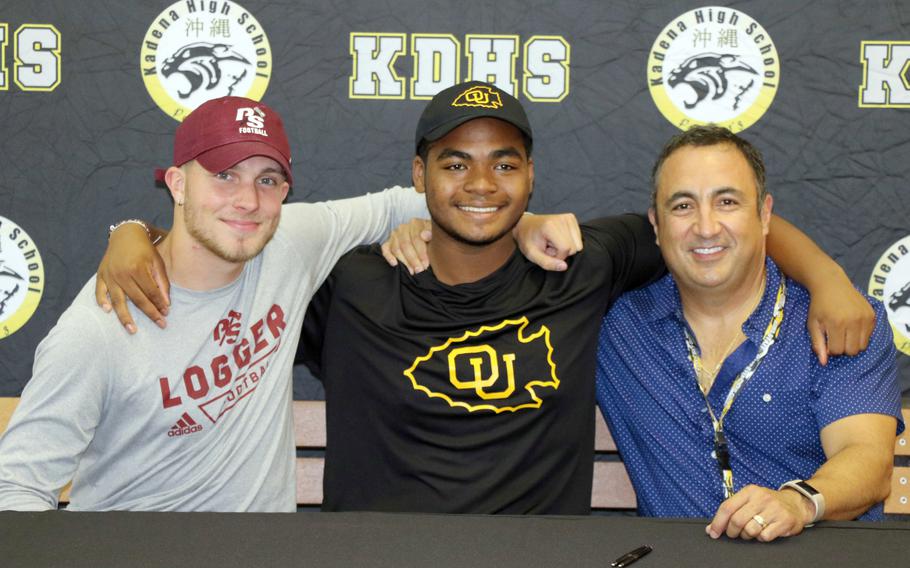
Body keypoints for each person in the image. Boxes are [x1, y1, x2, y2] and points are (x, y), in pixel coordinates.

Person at [95, 83, 875, 515]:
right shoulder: (350, 282)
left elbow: (714, 227)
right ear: (418, 176)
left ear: (532, 177)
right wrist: (136, 230)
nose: (479, 185)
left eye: (504, 165)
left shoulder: (581, 260)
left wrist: (829, 276)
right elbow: (225, 258)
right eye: (455, 164)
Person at [0, 95, 435, 511]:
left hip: (260, 552)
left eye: (266, 180)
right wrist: (128, 228)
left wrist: (420, 227)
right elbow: (16, 489)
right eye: (224, 174)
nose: (247, 200)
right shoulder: (100, 325)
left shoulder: (290, 243)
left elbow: (418, 201)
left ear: (284, 192)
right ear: (177, 184)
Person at [594, 125, 903, 541]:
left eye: (727, 202)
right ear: (656, 224)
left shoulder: (836, 322)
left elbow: (866, 458)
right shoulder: (619, 327)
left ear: (764, 214)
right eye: (683, 206)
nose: (706, 227)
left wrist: (799, 501)